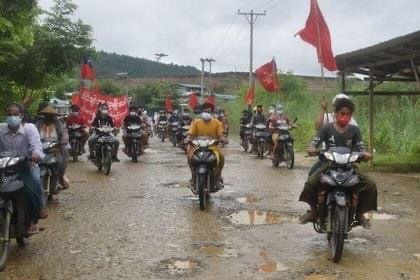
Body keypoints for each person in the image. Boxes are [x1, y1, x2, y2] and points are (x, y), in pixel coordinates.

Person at [299, 98, 377, 228]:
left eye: (348, 114)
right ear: (335, 114)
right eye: (342, 113)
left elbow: (361, 148)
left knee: (370, 185)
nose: (345, 117)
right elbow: (314, 143)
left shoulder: (354, 130)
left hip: (349, 165)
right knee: (310, 183)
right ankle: (313, 211)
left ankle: (359, 214)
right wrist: (312, 149)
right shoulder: (326, 128)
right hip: (328, 164)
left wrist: (365, 155)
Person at [0, 103, 47, 234]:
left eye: (15, 114)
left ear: (21, 116)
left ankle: (34, 219)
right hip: (4, 169)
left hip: (25, 166)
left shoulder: (29, 129)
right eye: (9, 114)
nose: (12, 117)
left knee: (32, 186)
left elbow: (36, 145)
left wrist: (35, 154)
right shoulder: (1, 129)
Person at [186, 103, 226, 189]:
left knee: (221, 157)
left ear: (211, 113)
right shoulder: (196, 122)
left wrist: (222, 139)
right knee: (189, 155)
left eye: (208, 111)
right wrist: (188, 138)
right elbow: (191, 134)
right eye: (204, 111)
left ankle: (218, 177)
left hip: (212, 146)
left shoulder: (217, 122)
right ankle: (193, 176)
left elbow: (220, 135)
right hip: (198, 146)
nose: (206, 113)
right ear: (201, 112)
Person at [36, 105, 70, 189]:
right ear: (44, 115)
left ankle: (60, 177)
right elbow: (32, 134)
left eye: (50, 115)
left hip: (55, 148)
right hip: (40, 148)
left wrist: (62, 142)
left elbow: (64, 134)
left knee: (62, 161)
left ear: (53, 116)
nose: (48, 117)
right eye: (47, 115)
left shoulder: (58, 124)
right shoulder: (38, 124)